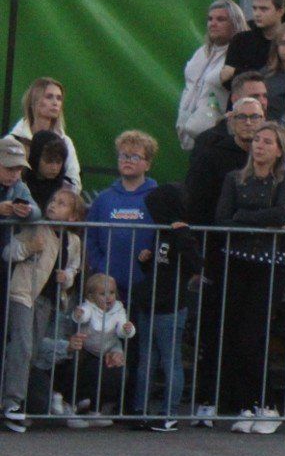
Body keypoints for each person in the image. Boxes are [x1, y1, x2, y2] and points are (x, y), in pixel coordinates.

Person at [215, 121, 285, 433]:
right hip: (237, 262)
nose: (259, 146)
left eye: (267, 142)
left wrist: (243, 217)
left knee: (255, 335)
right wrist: (257, 221)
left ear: (279, 150)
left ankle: (268, 404)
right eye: (257, 140)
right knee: (236, 335)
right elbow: (222, 218)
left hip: (269, 265)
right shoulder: (235, 178)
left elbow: (284, 213)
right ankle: (246, 404)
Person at [2, 184, 79, 430]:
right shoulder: (37, 228)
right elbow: (8, 252)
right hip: (23, 293)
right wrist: (28, 248)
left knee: (32, 351)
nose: (54, 205)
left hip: (46, 301)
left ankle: (12, 401)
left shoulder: (74, 240)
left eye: (62, 203)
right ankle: (12, 402)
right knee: (23, 345)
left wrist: (67, 278)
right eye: (53, 200)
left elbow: (74, 269)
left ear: (73, 217)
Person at [129, 183, 199, 427]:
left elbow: (195, 264)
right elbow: (160, 267)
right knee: (146, 360)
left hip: (170, 306)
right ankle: (140, 410)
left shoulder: (182, 234)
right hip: (150, 302)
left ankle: (169, 413)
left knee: (170, 360)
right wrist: (145, 261)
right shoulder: (161, 232)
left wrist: (182, 235)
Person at [86, 129, 159, 307]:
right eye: (123, 155)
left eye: (135, 157)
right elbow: (91, 236)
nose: (127, 160)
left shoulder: (157, 197)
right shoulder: (103, 199)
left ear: (147, 164)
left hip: (146, 285)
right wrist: (100, 266)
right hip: (109, 287)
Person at [185, 85, 267, 225]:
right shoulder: (211, 156)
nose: (248, 123)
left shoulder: (273, 155)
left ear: (263, 120)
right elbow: (197, 200)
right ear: (232, 121)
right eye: (241, 117)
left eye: (254, 117)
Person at [178, 0, 248, 150]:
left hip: (219, 141)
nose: (213, 23)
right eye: (210, 19)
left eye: (221, 19)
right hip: (191, 137)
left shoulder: (241, 55)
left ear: (235, 23)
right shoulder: (202, 52)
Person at [66, 271, 134, 425]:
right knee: (77, 368)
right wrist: (79, 315)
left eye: (112, 293)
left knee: (117, 372)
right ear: (91, 296)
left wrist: (127, 329)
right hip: (85, 349)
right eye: (103, 294)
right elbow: (83, 315)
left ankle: (95, 409)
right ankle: (70, 407)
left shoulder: (118, 308)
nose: (108, 297)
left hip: (107, 351)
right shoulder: (88, 306)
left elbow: (122, 329)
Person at [9, 78, 81, 191]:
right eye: (49, 97)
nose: (55, 103)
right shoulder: (14, 140)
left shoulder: (65, 141)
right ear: (34, 102)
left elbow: (74, 182)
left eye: (59, 98)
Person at [25, 131, 76, 213]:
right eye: (48, 161)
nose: (54, 168)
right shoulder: (22, 184)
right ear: (36, 158)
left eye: (59, 162)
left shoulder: (66, 188)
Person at [0, 133, 40, 223]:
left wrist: (29, 211)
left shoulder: (20, 187)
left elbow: (37, 212)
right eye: (9, 169)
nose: (14, 174)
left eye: (19, 169)